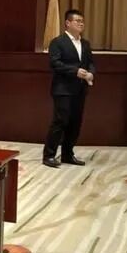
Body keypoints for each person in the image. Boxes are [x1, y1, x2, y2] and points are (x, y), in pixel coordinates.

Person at [43, 9, 94, 168]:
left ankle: (67, 154)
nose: (81, 24)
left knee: (75, 122)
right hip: (63, 89)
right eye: (77, 21)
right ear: (67, 23)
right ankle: (49, 155)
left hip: (80, 89)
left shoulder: (85, 44)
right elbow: (55, 64)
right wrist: (75, 71)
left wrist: (91, 73)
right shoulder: (58, 42)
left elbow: (91, 62)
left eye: (82, 21)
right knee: (60, 121)